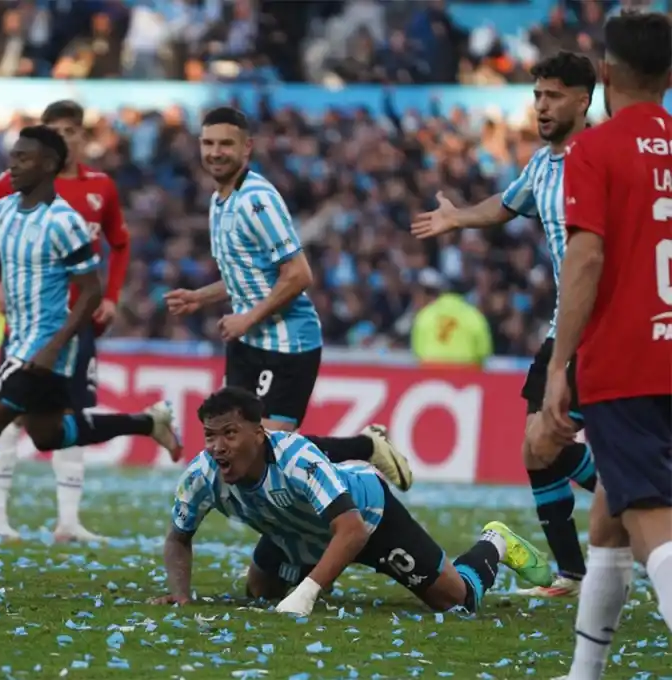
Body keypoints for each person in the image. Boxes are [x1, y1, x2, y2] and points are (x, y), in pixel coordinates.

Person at [412, 51, 600, 598]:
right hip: (564, 323)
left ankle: (629, 509)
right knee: (537, 445)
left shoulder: (601, 157)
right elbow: (507, 203)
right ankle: (574, 569)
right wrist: (457, 216)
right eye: (538, 95)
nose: (541, 106)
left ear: (583, 99)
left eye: (554, 95)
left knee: (544, 441)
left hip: (606, 323)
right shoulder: (543, 165)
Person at [0, 126, 181, 539]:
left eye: (24, 158)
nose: (13, 164)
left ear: (49, 164)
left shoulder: (66, 222)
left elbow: (89, 292)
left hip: (47, 344)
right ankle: (147, 423)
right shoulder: (6, 210)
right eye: (12, 156)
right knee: (48, 435)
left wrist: (55, 347)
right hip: (21, 338)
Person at [164, 106, 412, 491]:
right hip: (247, 343)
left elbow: (299, 274)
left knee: (266, 450)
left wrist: (246, 318)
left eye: (225, 144)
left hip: (287, 342)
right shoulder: (219, 202)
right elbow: (247, 277)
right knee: (233, 447)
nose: (215, 152)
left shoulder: (258, 199)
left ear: (247, 148)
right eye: (208, 143)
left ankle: (366, 447)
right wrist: (200, 296)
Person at [151, 387, 553, 615]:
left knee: (457, 601)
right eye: (210, 435)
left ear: (258, 434)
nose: (217, 447)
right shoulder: (200, 477)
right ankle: (312, 573)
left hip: (368, 517)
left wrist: (306, 596)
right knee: (260, 592)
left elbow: (352, 529)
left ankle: (495, 542)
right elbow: (177, 537)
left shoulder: (297, 459)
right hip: (296, 531)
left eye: (229, 434)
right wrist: (182, 593)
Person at [539, 12, 672, 678]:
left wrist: (559, 365)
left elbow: (584, 260)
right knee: (609, 521)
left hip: (627, 364)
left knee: (648, 518)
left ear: (607, 74)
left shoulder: (594, 150)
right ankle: (583, 673)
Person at [0, 100, 133, 542]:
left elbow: (119, 243)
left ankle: (68, 521)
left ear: (80, 137)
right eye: (56, 129)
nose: (66, 137)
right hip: (27, 325)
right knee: (5, 413)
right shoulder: (16, 181)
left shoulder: (102, 187)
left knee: (69, 412)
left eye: (72, 131)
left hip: (76, 327)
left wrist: (111, 297)